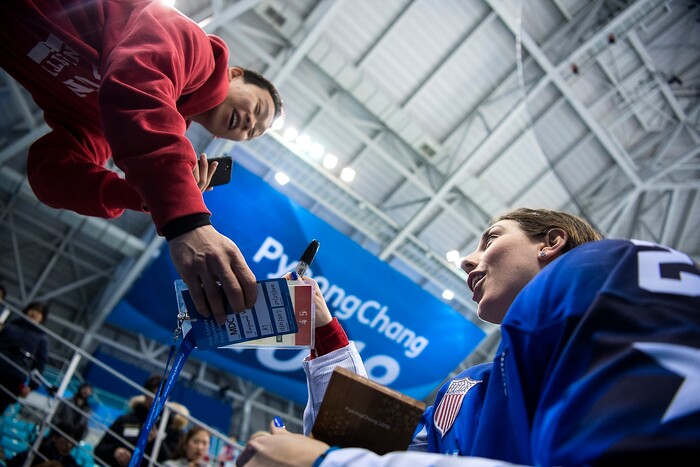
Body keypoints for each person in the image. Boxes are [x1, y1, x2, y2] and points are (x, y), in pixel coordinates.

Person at [238, 207, 700, 465]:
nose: (466, 260)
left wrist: (322, 464)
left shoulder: (607, 270)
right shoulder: (471, 384)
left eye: (491, 237)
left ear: (551, 242)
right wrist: (323, 332)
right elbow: (376, 446)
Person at [0, 0, 285, 324]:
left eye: (253, 133)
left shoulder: (110, 122)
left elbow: (50, 173)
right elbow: (138, 87)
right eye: (258, 109)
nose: (250, 125)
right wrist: (187, 221)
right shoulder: (192, 46)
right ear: (234, 74)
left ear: (222, 139)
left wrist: (140, 195)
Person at [94, 374, 173, 466]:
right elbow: (99, 450)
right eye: (151, 394)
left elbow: (169, 462)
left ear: (168, 398)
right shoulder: (125, 420)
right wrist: (115, 451)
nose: (154, 400)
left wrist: (155, 442)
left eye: (160, 396)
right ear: (144, 394)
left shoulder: (172, 429)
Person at [0, 301, 50, 416]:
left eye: (39, 312)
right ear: (27, 310)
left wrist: (32, 386)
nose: (35, 313)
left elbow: (40, 364)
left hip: (13, 380)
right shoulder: (10, 325)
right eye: (33, 309)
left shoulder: (42, 339)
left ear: (42, 318)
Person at [6, 421, 82, 467]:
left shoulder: (70, 462)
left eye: (72, 442)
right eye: (66, 440)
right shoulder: (38, 451)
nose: (69, 445)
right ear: (54, 437)